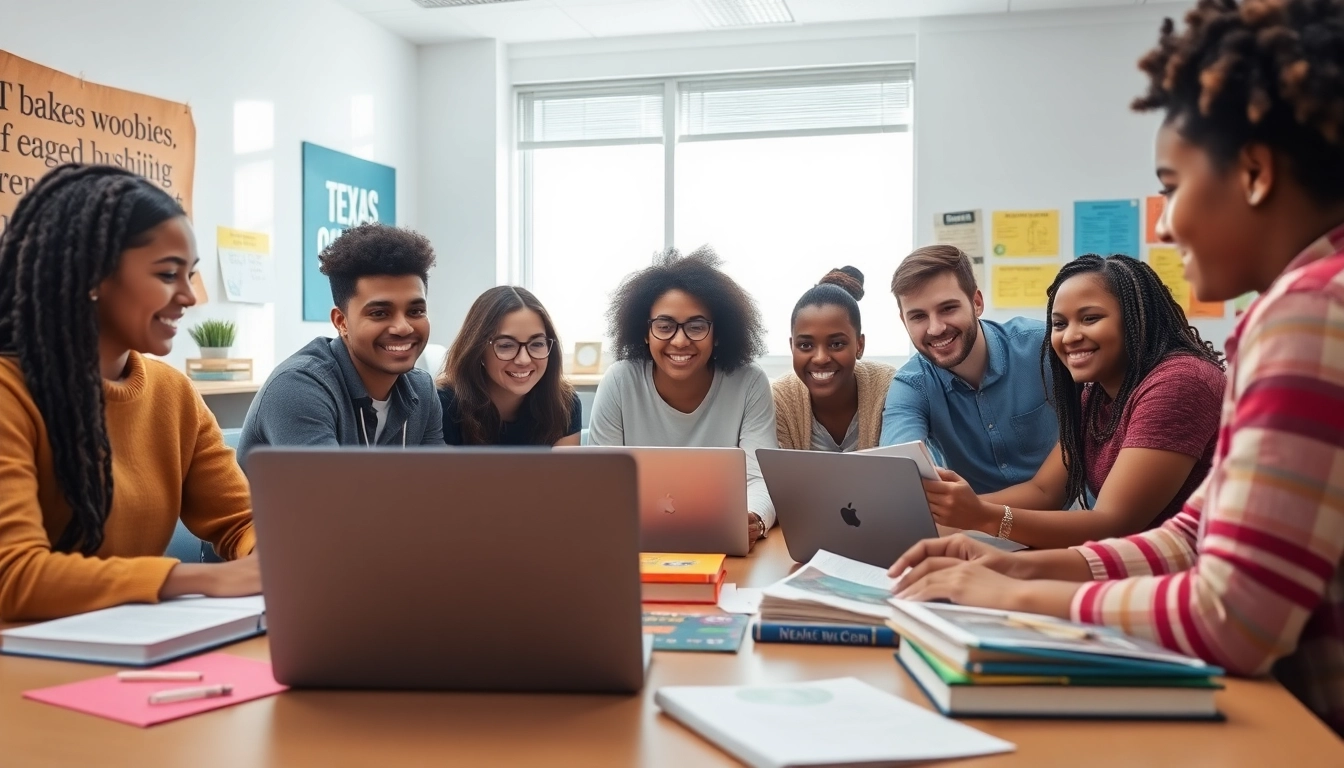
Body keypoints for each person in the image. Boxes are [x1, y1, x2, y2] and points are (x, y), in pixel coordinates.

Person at [891, 0, 1344, 735]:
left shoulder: (1309, 311)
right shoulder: (1311, 300)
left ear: (1255, 172)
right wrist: (1009, 565)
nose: (1165, 222)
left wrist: (1017, 595)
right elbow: (1190, 535)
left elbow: (1233, 617)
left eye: (1172, 186)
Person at [0, 164, 259, 621]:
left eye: (191, 274)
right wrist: (199, 578)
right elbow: (13, 575)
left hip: (132, 644)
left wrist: (267, 555)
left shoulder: (172, 393)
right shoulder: (10, 392)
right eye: (168, 274)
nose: (189, 297)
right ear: (92, 276)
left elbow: (240, 520)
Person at [921, 254, 1225, 549]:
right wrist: (950, 510)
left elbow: (1113, 524)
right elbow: (1044, 491)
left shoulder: (1180, 382)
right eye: (1059, 324)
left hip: (1206, 570)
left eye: (1090, 318)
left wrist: (982, 516)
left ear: (1136, 318)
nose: (1070, 337)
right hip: (1144, 564)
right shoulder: (1097, 395)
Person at [588, 246, 778, 547]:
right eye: (664, 326)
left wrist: (753, 518)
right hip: (633, 545)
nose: (679, 341)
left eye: (696, 326)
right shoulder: (620, 381)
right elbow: (600, 483)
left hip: (723, 546)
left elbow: (760, 479)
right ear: (645, 332)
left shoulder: (749, 382)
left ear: (718, 333)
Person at [236, 222, 443, 464]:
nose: (403, 327)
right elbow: (328, 489)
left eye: (416, 311)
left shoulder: (421, 389)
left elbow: (437, 482)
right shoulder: (297, 388)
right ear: (341, 321)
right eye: (379, 313)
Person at [881, 245, 1057, 494]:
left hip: (1066, 510)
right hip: (972, 518)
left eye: (948, 308)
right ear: (903, 321)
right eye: (918, 316)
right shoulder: (912, 384)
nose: (935, 328)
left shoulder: (1043, 346)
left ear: (976, 303)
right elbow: (898, 468)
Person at [438, 286, 581, 446]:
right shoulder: (443, 406)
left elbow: (564, 463)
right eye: (506, 345)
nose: (524, 360)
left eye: (537, 344)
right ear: (478, 350)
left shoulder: (563, 403)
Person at [772, 267, 894, 452]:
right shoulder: (780, 400)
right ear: (792, 347)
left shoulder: (888, 388)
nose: (821, 358)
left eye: (836, 344)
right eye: (805, 345)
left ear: (859, 345)